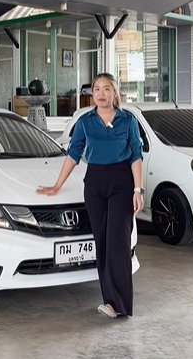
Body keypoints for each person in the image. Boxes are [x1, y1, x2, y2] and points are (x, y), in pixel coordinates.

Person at [37, 73, 142, 318]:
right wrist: (56, 186)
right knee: (102, 241)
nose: (101, 93)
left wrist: (138, 190)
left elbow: (136, 155)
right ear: (92, 94)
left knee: (118, 242)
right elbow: (74, 154)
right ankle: (110, 303)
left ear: (114, 93)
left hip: (121, 183)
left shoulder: (128, 120)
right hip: (94, 183)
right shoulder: (85, 121)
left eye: (106, 89)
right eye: (96, 89)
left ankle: (122, 304)